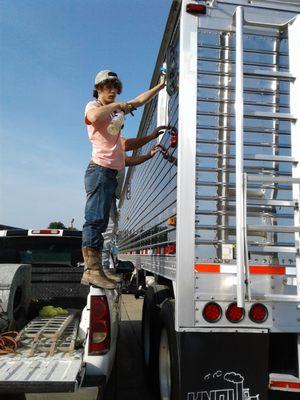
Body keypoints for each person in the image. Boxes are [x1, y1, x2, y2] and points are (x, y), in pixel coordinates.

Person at [81, 69, 166, 289]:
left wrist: (160, 87)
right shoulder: (94, 107)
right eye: (107, 86)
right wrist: (118, 106)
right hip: (99, 170)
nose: (112, 91)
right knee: (96, 222)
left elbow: (138, 101)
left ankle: (100, 270)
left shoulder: (115, 116)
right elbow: (93, 118)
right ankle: (91, 271)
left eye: (114, 87)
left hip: (109, 174)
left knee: (103, 224)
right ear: (98, 89)